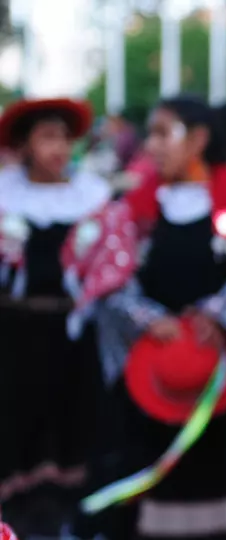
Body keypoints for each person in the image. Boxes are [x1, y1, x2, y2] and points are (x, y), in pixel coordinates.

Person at [70, 96, 226, 539]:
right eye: (150, 135)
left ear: (198, 139)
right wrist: (146, 318)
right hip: (156, 379)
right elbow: (108, 281)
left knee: (225, 477)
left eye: (164, 133)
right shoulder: (134, 210)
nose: (151, 145)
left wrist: (222, 313)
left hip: (222, 383)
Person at [0, 98, 110, 536]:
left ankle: (71, 523)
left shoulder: (92, 198)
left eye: (64, 137)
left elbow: (110, 266)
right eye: (47, 137)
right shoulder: (5, 196)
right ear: (25, 145)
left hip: (72, 336)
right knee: (16, 424)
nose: (59, 148)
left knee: (73, 424)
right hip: (14, 335)